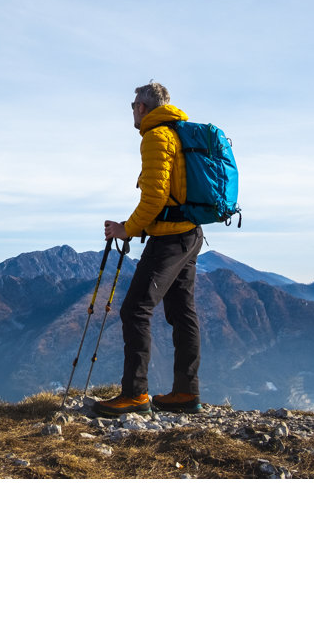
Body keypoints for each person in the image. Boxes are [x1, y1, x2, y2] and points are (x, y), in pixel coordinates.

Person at [96, 80, 203, 416]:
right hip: (189, 233)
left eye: (132, 106)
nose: (131, 112)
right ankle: (186, 393)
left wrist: (126, 229)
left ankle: (135, 394)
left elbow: (155, 197)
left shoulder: (156, 137)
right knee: (182, 312)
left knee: (135, 309)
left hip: (170, 237)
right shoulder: (176, 133)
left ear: (142, 108)